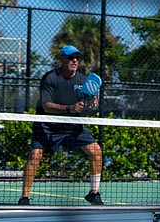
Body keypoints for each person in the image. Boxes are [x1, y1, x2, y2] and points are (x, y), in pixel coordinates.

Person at [19, 45, 104, 205]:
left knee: (96, 151)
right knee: (35, 155)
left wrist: (92, 102)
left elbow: (86, 102)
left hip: (72, 126)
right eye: (71, 57)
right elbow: (46, 105)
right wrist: (69, 108)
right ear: (61, 59)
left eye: (77, 58)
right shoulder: (50, 78)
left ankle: (94, 192)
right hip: (47, 125)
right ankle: (24, 197)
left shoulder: (82, 79)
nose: (75, 60)